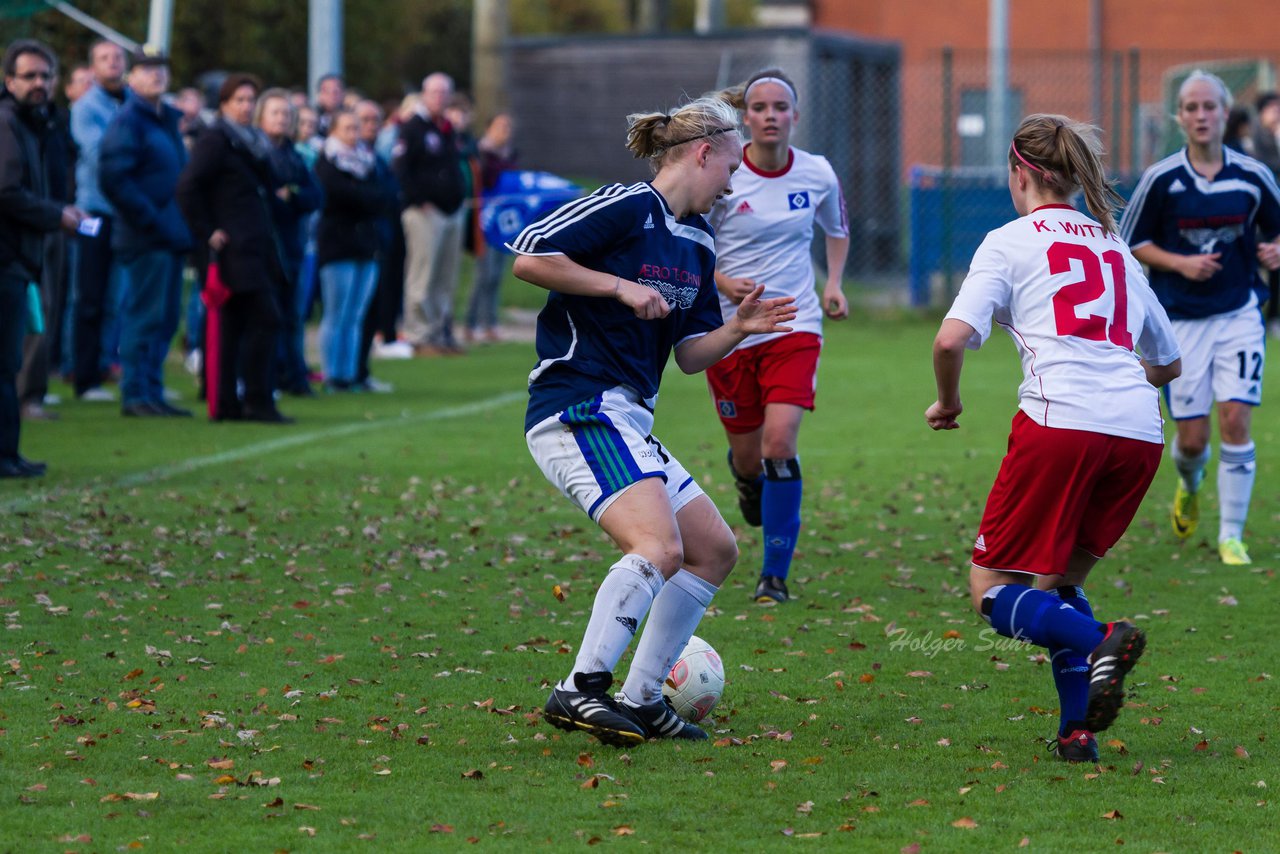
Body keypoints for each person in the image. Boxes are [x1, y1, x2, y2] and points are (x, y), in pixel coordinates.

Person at [511, 95, 797, 745]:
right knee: (659, 547)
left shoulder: (697, 239)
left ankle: (641, 701)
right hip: (576, 406)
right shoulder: (624, 205)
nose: (734, 181)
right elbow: (529, 256)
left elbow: (692, 355)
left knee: (713, 550)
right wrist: (616, 286)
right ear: (702, 154)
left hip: (626, 418)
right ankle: (578, 690)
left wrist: (740, 327)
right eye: (731, 167)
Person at [927, 114, 1182, 761]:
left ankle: (1103, 640)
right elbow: (1169, 361)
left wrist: (948, 401)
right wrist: (1119, 382)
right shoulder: (1112, 244)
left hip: (1060, 423)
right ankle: (1077, 734)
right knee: (1058, 580)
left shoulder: (1009, 241)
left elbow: (951, 338)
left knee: (991, 587)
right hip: (1138, 432)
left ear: (1019, 173)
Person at [1120, 70, 1280, 565]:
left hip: (1239, 314)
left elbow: (1274, 234)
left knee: (1235, 418)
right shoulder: (1161, 179)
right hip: (1181, 322)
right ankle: (1189, 484)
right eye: (1191, 107)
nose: (1201, 115)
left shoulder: (1253, 176)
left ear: (1225, 113)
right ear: (1180, 117)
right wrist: (1179, 262)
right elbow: (1128, 244)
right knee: (1192, 441)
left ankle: (1232, 534)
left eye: (1209, 106)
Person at [704, 68, 850, 604]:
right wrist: (719, 279)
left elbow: (837, 230)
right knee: (749, 458)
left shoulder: (816, 173)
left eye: (780, 107)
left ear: (794, 116)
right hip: (729, 329)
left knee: (779, 442)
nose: (770, 116)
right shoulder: (722, 170)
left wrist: (833, 283)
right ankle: (747, 481)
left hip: (794, 323)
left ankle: (774, 576)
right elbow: (694, 237)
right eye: (760, 107)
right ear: (745, 117)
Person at [178, 73, 292, 424]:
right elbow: (188, 187)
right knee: (265, 319)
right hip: (235, 249)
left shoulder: (250, 141)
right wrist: (207, 230)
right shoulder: (216, 141)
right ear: (224, 104)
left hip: (255, 244)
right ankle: (256, 400)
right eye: (239, 100)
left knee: (235, 325)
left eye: (250, 100)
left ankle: (229, 401)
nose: (246, 106)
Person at [2, 39, 84, 477]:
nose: (39, 83)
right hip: (7, 256)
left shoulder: (38, 124)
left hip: (21, 254)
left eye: (45, 75)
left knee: (8, 359)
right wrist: (58, 214)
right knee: (4, 361)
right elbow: (6, 192)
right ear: (9, 80)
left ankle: (8, 453)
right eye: (29, 75)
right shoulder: (7, 124)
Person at [98, 46, 193, 418]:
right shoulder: (129, 122)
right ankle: (135, 393)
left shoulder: (163, 119)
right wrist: (152, 219)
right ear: (131, 78)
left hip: (167, 235)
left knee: (165, 317)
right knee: (144, 315)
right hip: (145, 236)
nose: (156, 75)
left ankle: (151, 391)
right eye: (147, 68)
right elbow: (114, 179)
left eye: (161, 69)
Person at [69, 39, 129, 405]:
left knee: (115, 299)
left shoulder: (130, 104)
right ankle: (83, 375)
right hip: (92, 213)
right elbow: (99, 155)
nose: (113, 63)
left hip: (124, 215)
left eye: (118, 57)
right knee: (88, 295)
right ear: (93, 67)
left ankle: (105, 367)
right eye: (105, 57)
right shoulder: (85, 106)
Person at [314, 110, 391, 391]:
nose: (353, 134)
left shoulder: (369, 161)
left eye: (355, 128)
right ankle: (331, 373)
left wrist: (363, 198)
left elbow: (383, 195)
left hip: (366, 244)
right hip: (338, 244)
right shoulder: (327, 163)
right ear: (333, 131)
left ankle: (350, 374)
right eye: (346, 128)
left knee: (356, 314)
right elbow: (338, 196)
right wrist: (364, 198)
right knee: (337, 312)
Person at [394, 72, 466, 356]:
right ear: (425, 95)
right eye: (434, 92)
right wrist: (418, 199)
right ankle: (418, 334)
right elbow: (401, 167)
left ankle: (438, 332)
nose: (440, 98)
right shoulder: (413, 127)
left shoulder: (447, 128)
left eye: (444, 93)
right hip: (426, 211)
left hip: (450, 211)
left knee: (444, 276)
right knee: (422, 274)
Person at [257, 87, 322, 397]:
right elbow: (267, 198)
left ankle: (293, 374)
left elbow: (314, 195)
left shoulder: (293, 155)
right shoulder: (255, 152)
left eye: (286, 113)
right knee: (266, 315)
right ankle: (267, 376)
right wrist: (287, 197)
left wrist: (292, 195)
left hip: (292, 245)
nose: (282, 119)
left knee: (291, 314)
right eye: (276, 113)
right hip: (264, 245)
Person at [464, 112, 518, 344]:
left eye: (508, 126)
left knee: (496, 275)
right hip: (485, 222)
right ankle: (470, 323)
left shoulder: (507, 154)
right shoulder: (481, 153)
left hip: (503, 223)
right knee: (483, 275)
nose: (505, 131)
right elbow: (488, 180)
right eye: (500, 126)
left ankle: (490, 323)